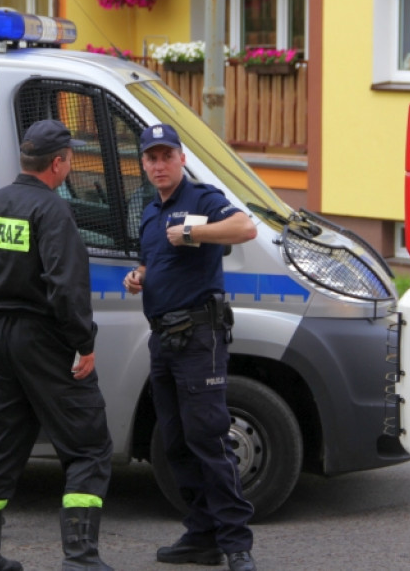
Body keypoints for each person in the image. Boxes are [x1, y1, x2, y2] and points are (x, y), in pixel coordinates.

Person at [0, 120, 114, 571]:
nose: (70, 165)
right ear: (58, 163)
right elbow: (65, 288)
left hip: (3, 337)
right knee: (89, 447)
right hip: (44, 340)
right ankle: (80, 559)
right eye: (70, 158)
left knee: (4, 446)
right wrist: (83, 343)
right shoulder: (52, 211)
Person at [122, 124, 259, 571]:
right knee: (176, 442)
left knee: (208, 438)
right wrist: (138, 276)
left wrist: (196, 235)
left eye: (167, 156)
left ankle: (236, 544)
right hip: (164, 338)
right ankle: (202, 536)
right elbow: (152, 259)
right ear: (143, 164)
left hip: (200, 338)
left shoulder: (200, 199)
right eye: (151, 158)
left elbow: (245, 228)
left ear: (181, 158)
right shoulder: (148, 210)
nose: (159, 165)